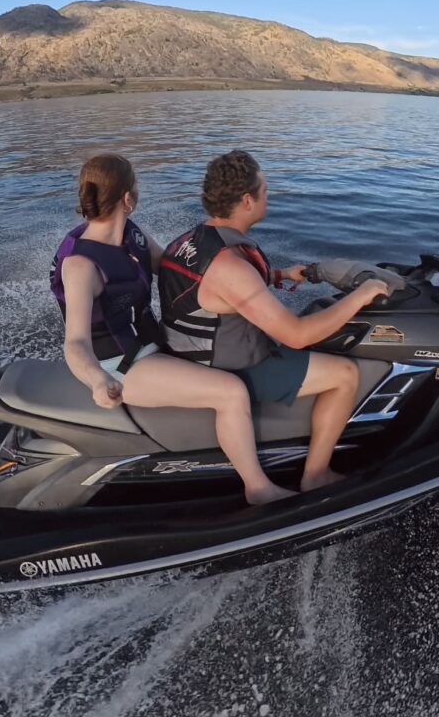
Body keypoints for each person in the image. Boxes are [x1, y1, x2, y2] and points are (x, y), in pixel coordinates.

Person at [51, 154, 294, 505]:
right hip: (121, 366)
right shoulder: (81, 266)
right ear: (128, 198)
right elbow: (75, 342)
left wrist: (266, 279)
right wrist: (98, 380)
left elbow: (180, 271)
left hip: (152, 342)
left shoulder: (131, 234)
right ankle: (258, 488)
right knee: (231, 392)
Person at [158, 149, 388, 492]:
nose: (270, 195)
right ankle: (316, 475)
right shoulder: (230, 265)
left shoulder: (190, 240)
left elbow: (218, 289)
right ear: (247, 200)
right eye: (265, 190)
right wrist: (361, 295)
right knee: (345, 374)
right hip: (229, 367)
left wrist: (280, 274)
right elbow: (296, 335)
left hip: (189, 354)